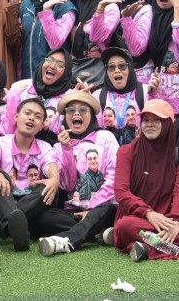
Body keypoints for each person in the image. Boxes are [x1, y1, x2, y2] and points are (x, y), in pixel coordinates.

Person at [113, 99, 179, 261]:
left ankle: (146, 247)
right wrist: (148, 213)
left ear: (168, 124)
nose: (149, 124)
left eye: (157, 120)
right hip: (139, 219)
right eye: (146, 120)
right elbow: (121, 192)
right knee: (125, 226)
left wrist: (175, 221)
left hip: (169, 221)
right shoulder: (126, 151)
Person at [37, 91, 118, 256]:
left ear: (92, 115)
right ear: (65, 117)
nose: (76, 113)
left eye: (82, 110)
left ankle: (66, 240)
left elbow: (114, 177)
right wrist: (67, 150)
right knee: (45, 218)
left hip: (102, 208)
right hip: (73, 211)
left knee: (108, 209)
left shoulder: (106, 137)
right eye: (71, 110)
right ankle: (98, 233)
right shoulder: (59, 147)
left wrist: (92, 209)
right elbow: (68, 186)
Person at [0, 97, 60, 251]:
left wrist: (55, 178)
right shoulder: (0, 142)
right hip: (3, 200)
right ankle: (15, 225)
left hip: (32, 204)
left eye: (37, 116)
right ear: (16, 116)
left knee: (49, 186)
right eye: (27, 113)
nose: (31, 118)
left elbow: (50, 163)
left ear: (42, 125)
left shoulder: (45, 147)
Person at [19, 0, 77, 79]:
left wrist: (46, 12)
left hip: (52, 78)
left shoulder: (65, 7)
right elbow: (17, 44)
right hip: (26, 77)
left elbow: (56, 43)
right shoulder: (26, 4)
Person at [1, 49, 74, 136]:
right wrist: (13, 99)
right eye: (49, 60)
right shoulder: (20, 88)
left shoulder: (69, 97)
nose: (52, 66)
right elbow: (6, 131)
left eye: (60, 65)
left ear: (66, 72)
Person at [93, 47, 157, 130]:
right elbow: (96, 130)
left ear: (130, 68)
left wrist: (154, 95)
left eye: (122, 66)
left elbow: (155, 122)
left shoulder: (145, 91)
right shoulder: (98, 96)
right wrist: (86, 102)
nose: (117, 70)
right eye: (111, 67)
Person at [116, 0, 153, 81]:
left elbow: (136, 50)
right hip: (114, 74)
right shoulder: (114, 5)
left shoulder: (145, 10)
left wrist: (127, 19)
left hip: (139, 77)